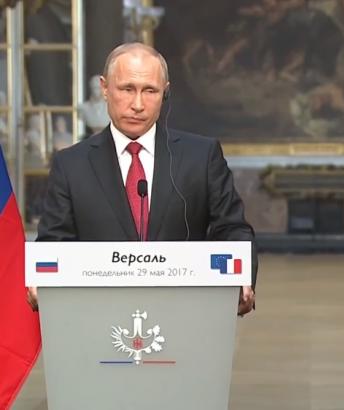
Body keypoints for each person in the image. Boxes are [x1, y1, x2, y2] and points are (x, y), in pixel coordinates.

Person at [31, 43, 257, 315]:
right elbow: (54, 244)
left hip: (184, 314)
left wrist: (242, 278)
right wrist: (42, 281)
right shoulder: (71, 165)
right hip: (97, 316)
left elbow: (232, 228)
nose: (137, 105)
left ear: (165, 93)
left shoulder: (201, 156)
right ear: (105, 88)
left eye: (150, 91)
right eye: (127, 89)